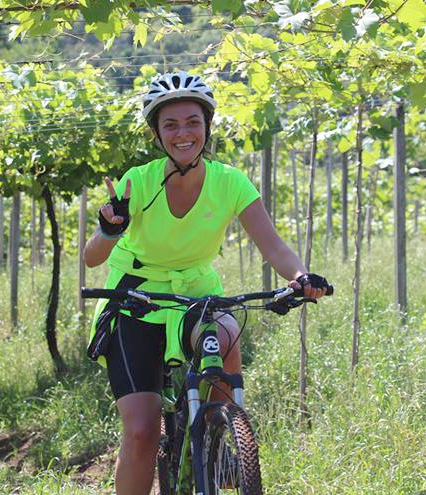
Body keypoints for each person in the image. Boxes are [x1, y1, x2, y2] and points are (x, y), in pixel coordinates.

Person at [84, 70, 329, 495]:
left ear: (207, 127)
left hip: (196, 293)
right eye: (171, 124)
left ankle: (224, 434)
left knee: (226, 330)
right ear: (157, 134)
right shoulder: (137, 182)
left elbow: (273, 246)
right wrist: (110, 229)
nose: (183, 134)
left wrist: (299, 276)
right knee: (142, 431)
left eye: (192, 122)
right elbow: (92, 258)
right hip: (135, 298)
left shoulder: (229, 181)